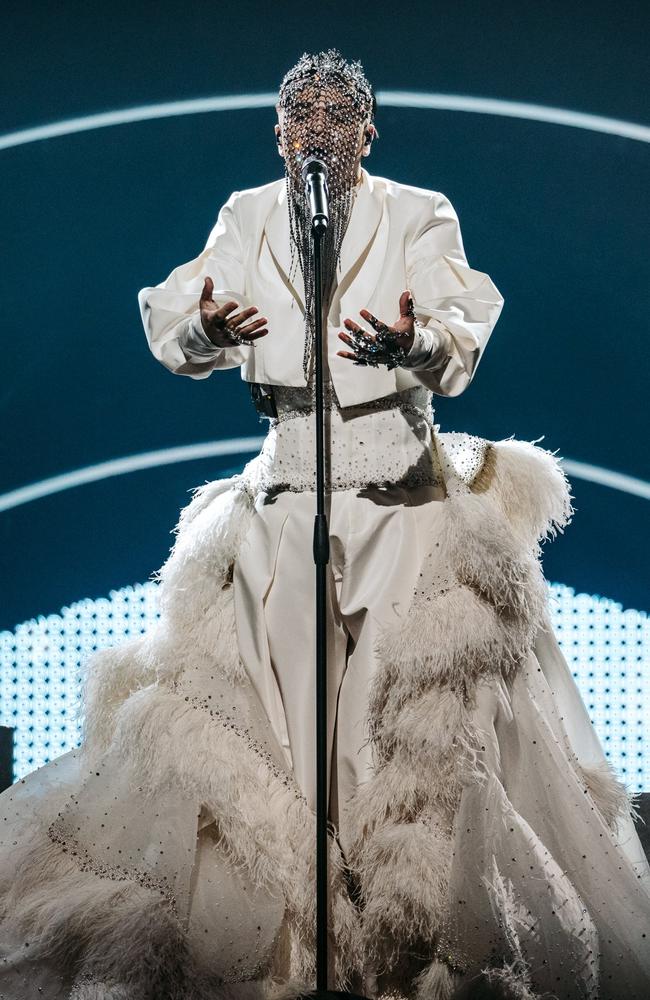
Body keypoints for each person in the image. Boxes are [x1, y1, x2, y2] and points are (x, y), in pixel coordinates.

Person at [1, 48, 649, 1000]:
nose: (315, 127)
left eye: (335, 112)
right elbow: (174, 318)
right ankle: (306, 949)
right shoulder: (246, 216)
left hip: (400, 501)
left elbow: (463, 330)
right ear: (277, 133)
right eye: (298, 112)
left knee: (391, 736)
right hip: (285, 497)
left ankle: (404, 945)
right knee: (286, 731)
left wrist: (412, 342)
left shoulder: (418, 212)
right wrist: (207, 335)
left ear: (367, 131)